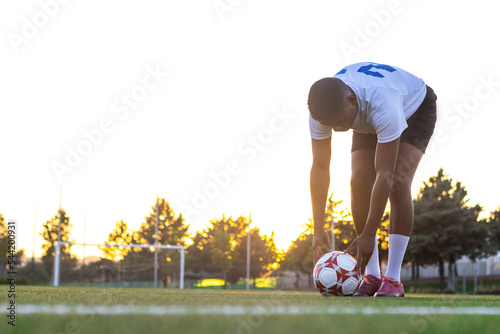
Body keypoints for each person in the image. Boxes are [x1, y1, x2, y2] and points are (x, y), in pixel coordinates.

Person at [308, 62, 437, 297]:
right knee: (357, 181)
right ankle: (372, 276)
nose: (337, 129)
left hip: (415, 106)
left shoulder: (382, 104)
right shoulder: (322, 111)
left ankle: (393, 279)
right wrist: (318, 228)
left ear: (350, 99)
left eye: (339, 121)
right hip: (365, 115)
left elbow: (384, 175)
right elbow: (319, 167)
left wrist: (369, 233)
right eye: (331, 125)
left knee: (398, 182)